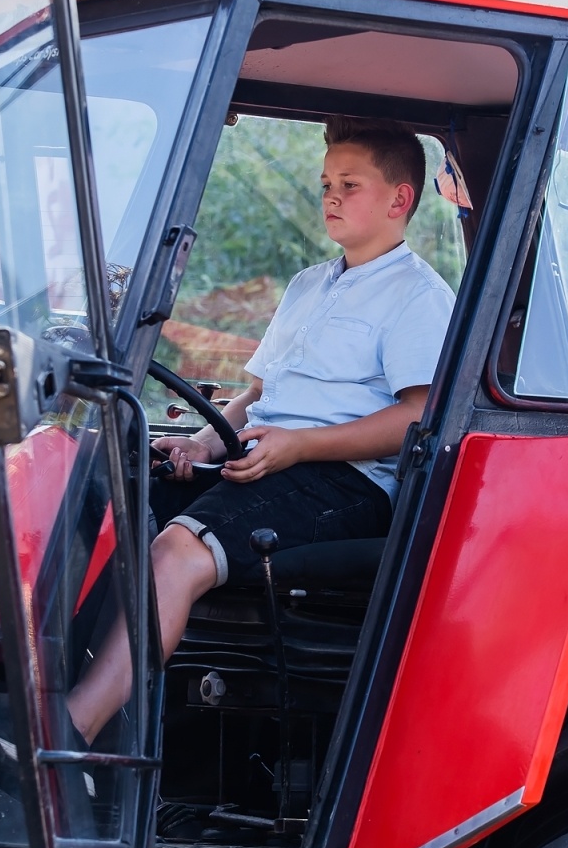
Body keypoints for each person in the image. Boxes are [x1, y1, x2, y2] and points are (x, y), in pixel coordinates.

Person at [67, 117, 456, 744]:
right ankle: (36, 689)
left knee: (175, 552)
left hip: (345, 482)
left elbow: (419, 416)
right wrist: (202, 444)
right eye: (326, 184)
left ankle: (69, 734)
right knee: (96, 497)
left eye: (349, 185)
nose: (330, 197)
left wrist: (300, 445)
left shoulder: (419, 296)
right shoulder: (309, 284)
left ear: (399, 199)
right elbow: (257, 396)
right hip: (270, 460)